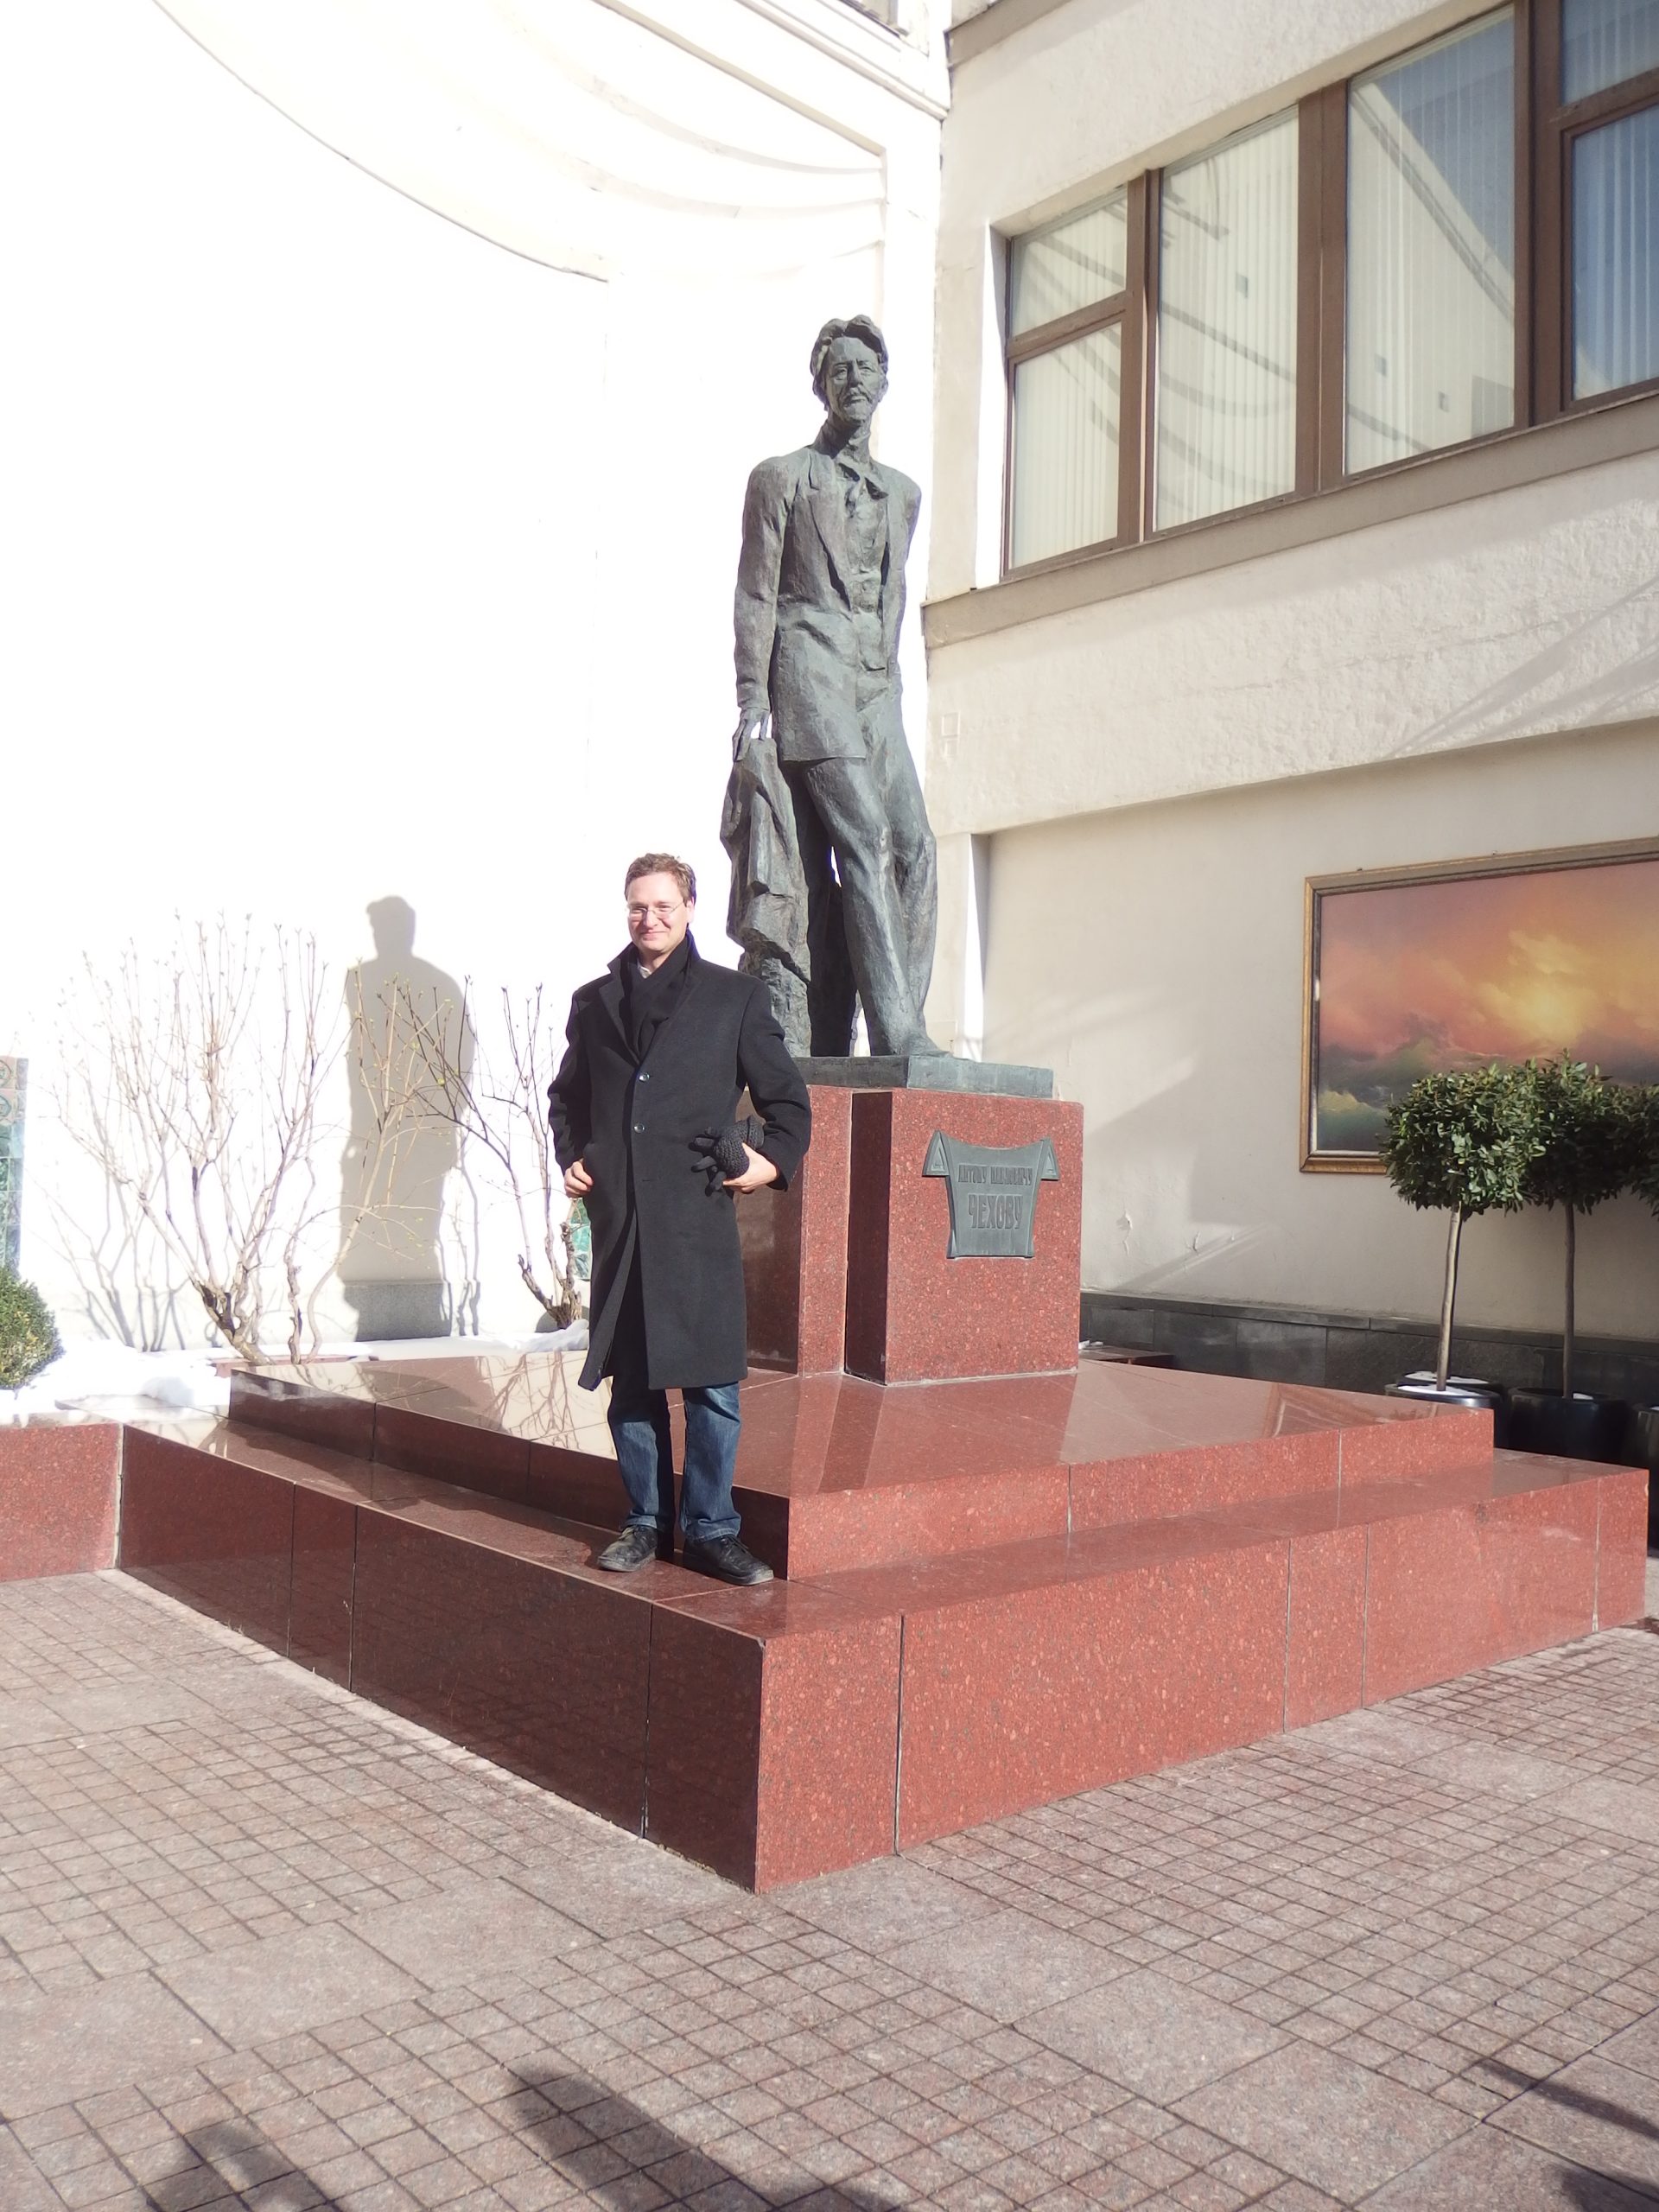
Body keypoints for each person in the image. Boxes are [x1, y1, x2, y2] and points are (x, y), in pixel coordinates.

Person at [549, 853, 810, 1584]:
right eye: (637, 906)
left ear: (690, 907)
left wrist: (769, 1163)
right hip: (623, 1225)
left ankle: (712, 1529)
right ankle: (643, 1523)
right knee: (631, 1384)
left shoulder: (735, 999)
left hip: (696, 1225)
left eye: (663, 906)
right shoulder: (593, 1002)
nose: (649, 919)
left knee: (712, 1390)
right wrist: (571, 1156)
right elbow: (567, 1097)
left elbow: (787, 1103)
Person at [729, 315, 941, 1058]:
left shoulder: (902, 495)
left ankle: (901, 1025)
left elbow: (892, 598)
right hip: (809, 672)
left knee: (919, 847)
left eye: (865, 368)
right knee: (868, 839)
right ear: (821, 386)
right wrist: (753, 700)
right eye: (839, 370)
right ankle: (900, 1032)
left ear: (885, 383)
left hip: (876, 688)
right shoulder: (781, 478)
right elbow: (757, 594)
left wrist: (893, 698)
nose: (854, 380)